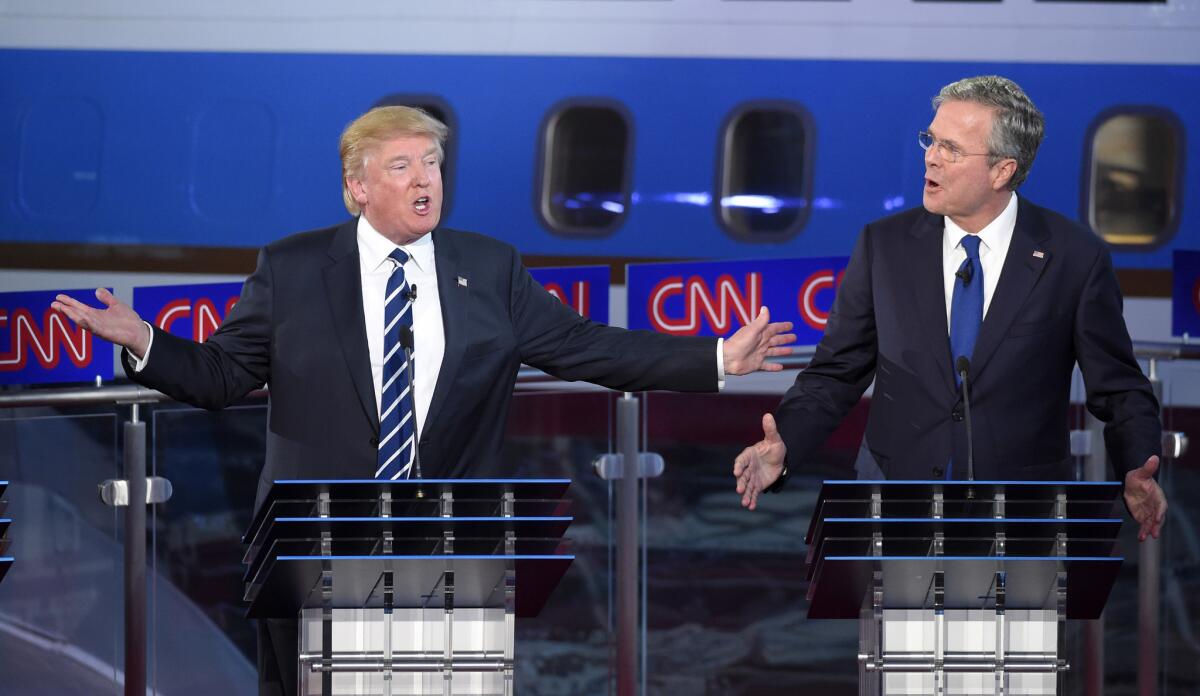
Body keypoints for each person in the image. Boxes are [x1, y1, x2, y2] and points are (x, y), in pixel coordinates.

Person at [52, 105, 795, 696]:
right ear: (357, 186)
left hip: (450, 556)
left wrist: (717, 358)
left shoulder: (488, 267)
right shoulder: (294, 268)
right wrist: (143, 340)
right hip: (317, 554)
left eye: (433, 163)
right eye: (402, 164)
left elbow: (586, 347)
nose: (424, 179)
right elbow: (217, 375)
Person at [733, 75, 1167, 543]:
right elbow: (835, 373)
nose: (931, 156)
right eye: (931, 139)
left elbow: (1120, 388)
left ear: (1002, 170)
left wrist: (1136, 465)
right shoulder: (885, 246)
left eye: (952, 149)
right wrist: (786, 445)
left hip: (1021, 520)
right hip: (896, 512)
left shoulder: (1074, 258)